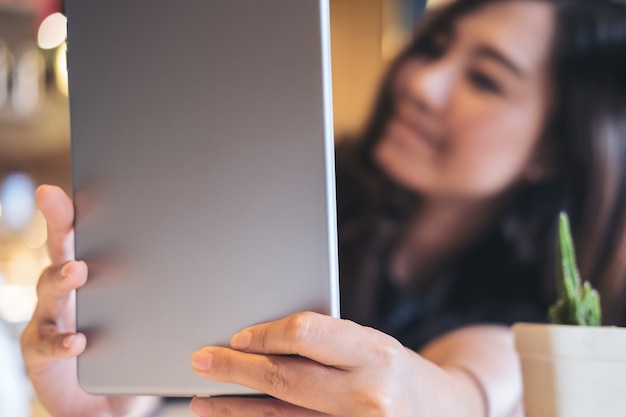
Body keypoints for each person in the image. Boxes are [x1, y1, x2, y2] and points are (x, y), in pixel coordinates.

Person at [20, 0, 626, 416]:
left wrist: (440, 400)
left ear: (552, 146)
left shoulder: (540, 311)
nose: (422, 83)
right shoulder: (279, 193)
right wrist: (116, 403)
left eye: (486, 80)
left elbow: (484, 378)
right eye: (435, 47)